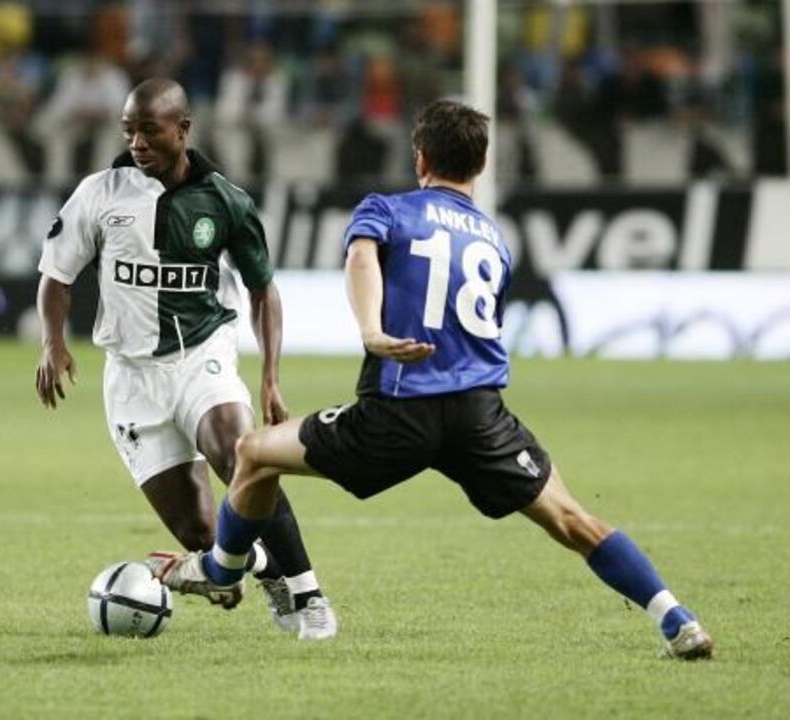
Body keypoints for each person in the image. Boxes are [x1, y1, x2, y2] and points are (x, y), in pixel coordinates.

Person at [145, 99, 714, 660]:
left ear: (419, 158)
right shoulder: (492, 240)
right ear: (481, 165)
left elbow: (362, 257)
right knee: (572, 519)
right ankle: (677, 620)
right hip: (479, 417)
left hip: (399, 412)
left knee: (253, 453)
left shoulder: (389, 210)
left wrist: (371, 329)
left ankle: (221, 570)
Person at [35, 77, 337, 641]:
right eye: (129, 131)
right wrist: (53, 342)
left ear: (183, 129)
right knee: (203, 539)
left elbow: (263, 291)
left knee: (243, 455)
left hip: (203, 355)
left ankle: (308, 596)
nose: (137, 143)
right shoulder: (99, 194)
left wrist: (270, 378)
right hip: (131, 378)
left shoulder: (225, 200)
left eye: (149, 130)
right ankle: (260, 567)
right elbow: (56, 277)